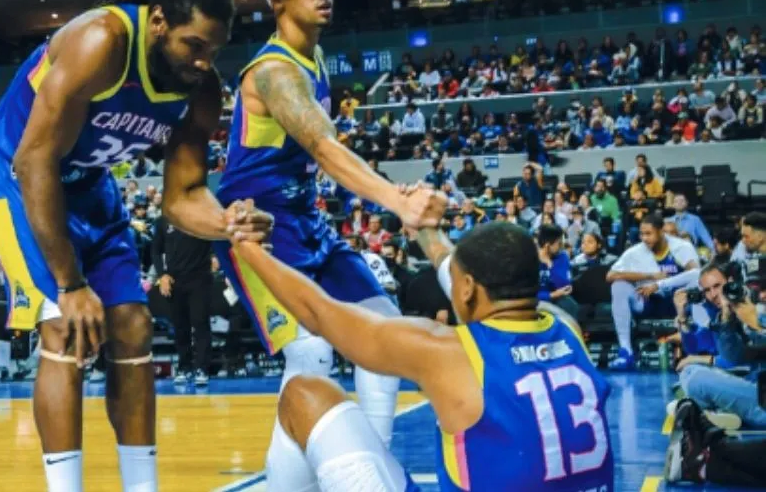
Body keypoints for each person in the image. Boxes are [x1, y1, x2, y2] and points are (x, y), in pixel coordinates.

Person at [0, 0, 272, 492]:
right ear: (158, 22)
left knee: (132, 324)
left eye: (214, 49)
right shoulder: (100, 42)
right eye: (194, 45)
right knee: (66, 323)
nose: (204, 61)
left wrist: (229, 221)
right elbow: (34, 160)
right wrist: (71, 283)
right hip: (15, 173)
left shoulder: (201, 90)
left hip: (85, 181)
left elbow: (182, 198)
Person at [211, 0, 439, 482]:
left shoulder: (315, 59)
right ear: (277, 1)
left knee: (384, 330)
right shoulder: (273, 71)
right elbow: (324, 149)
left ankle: (375, 466)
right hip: (257, 229)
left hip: (304, 220)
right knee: (311, 357)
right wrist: (397, 200)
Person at [222, 195, 613, 491]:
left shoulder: (449, 353)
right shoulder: (567, 327)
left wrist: (249, 249)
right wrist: (427, 230)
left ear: (468, 287)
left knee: (303, 394)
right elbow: (456, 269)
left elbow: (319, 312)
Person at [606, 214, 700, 370]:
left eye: (648, 233)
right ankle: (626, 351)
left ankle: (699, 348)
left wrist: (660, 284)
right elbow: (610, 275)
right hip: (648, 301)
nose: (644, 238)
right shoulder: (635, 252)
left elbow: (696, 272)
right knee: (618, 285)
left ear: (661, 231)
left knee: (698, 281)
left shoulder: (681, 247)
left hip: (679, 302)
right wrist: (649, 276)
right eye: (642, 234)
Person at [150, 212, 214, 386]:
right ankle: (185, 367)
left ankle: (202, 369)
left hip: (200, 278)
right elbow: (155, 250)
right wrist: (162, 275)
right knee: (180, 327)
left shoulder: (201, 215)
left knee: (200, 323)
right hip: (174, 279)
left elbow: (218, 238)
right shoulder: (164, 220)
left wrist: (215, 257)